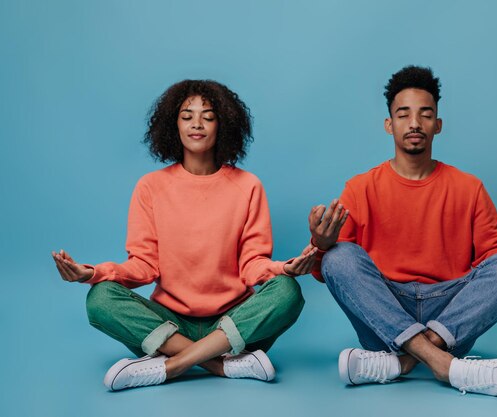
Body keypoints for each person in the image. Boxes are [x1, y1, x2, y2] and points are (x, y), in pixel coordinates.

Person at [52, 80, 315, 391]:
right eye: (187, 116)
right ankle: (219, 365)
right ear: (172, 125)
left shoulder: (248, 186)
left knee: (287, 292)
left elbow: (252, 264)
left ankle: (172, 365)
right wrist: (92, 273)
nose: (197, 124)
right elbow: (143, 266)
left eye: (208, 115)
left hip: (231, 324)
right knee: (99, 298)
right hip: (169, 326)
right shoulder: (150, 187)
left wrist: (283, 269)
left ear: (224, 124)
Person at [308, 66, 497, 397]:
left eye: (426, 115)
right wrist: (321, 244)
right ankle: (445, 365)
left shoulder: (469, 188)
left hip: (451, 317)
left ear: (438, 125)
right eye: (404, 115)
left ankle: (403, 361)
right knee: (339, 257)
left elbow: (494, 261)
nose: (415, 124)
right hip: (384, 314)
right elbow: (332, 270)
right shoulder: (360, 188)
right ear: (389, 125)